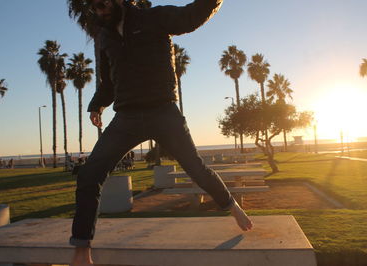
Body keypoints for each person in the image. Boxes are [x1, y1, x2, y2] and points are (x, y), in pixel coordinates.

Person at [70, 0, 253, 265]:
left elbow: (192, 16)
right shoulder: (104, 37)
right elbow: (107, 82)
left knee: (196, 168)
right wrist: (97, 104)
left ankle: (232, 207)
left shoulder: (154, 18)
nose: (101, 12)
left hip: (163, 111)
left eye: (104, 5)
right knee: (89, 175)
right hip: (127, 117)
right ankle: (82, 248)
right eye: (96, 8)